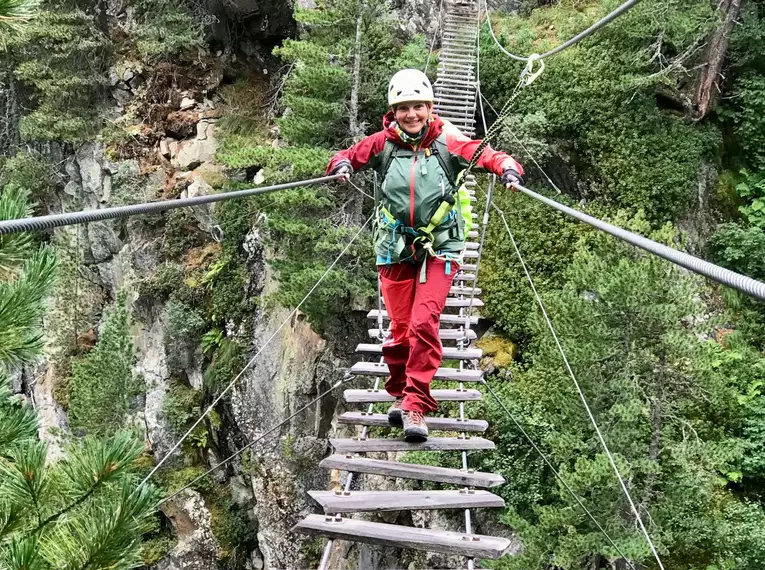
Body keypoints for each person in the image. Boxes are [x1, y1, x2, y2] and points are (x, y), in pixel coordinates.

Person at [326, 69, 524, 442]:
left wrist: (508, 168)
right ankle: (401, 394)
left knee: (423, 324)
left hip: (440, 245)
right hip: (396, 246)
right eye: (403, 108)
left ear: (430, 108)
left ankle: (416, 406)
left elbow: (483, 154)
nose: (411, 114)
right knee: (399, 331)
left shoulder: (447, 140)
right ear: (393, 111)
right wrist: (340, 166)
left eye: (418, 106)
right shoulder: (383, 144)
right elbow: (349, 156)